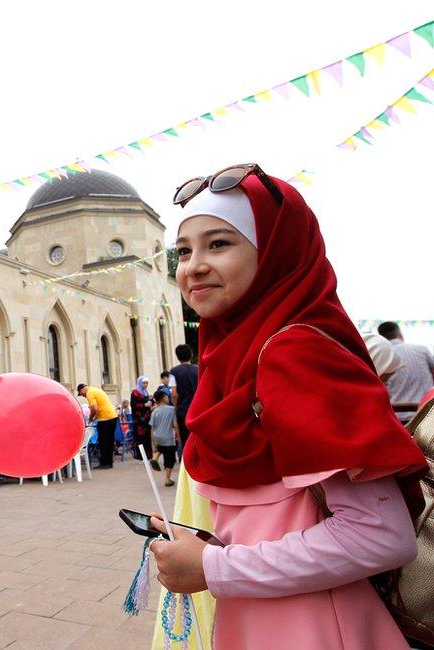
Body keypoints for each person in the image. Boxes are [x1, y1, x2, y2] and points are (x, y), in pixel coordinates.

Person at [148, 164, 425, 649]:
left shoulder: (293, 354)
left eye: (219, 244)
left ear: (277, 253)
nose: (193, 266)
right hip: (268, 620)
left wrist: (213, 566)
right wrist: (209, 548)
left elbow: (380, 536)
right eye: (185, 251)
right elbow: (286, 518)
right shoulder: (236, 358)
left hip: (314, 628)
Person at [377, 321, 434, 424]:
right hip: (427, 417)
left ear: (382, 338)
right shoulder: (421, 350)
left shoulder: (380, 358)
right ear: (399, 334)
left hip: (396, 420)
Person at [76, 383, 119, 468]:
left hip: (105, 419)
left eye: (81, 394)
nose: (83, 396)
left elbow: (94, 408)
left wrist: (91, 418)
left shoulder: (89, 393)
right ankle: (109, 462)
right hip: (112, 416)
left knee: (103, 442)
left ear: (81, 390)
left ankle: (104, 463)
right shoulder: (95, 389)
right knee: (110, 441)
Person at [169, 344, 198, 449]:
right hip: (197, 409)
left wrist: (176, 408)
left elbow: (174, 393)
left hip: (182, 410)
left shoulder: (173, 372)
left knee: (185, 440)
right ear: (191, 355)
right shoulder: (198, 369)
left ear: (177, 357)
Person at [149, 392, 178, 487]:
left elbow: (152, 428)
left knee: (161, 448)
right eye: (167, 397)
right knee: (170, 459)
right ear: (164, 398)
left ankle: (155, 457)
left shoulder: (154, 412)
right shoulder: (171, 409)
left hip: (158, 437)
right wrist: (178, 435)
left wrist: (152, 444)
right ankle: (167, 479)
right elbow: (174, 424)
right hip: (168, 437)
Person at [129, 376, 153, 460]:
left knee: (147, 437)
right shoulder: (135, 392)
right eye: (144, 383)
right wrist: (144, 405)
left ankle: (148, 455)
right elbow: (134, 405)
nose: (145, 385)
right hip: (139, 419)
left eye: (147, 383)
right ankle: (141, 456)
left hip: (146, 419)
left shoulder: (145, 392)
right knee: (140, 437)